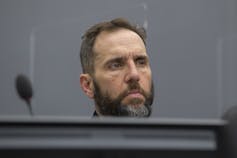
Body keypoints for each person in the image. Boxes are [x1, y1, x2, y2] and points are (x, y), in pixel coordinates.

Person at [79, 18, 154, 117]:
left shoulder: (176, 131)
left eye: (141, 62)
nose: (134, 75)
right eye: (116, 65)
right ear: (88, 85)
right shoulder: (56, 132)